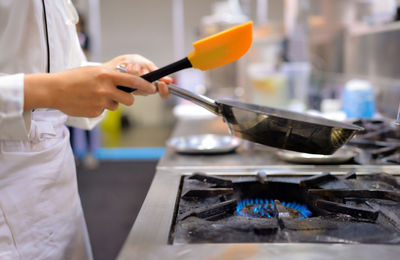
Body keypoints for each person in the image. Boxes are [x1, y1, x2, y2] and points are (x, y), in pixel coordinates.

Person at [0, 1, 171, 259]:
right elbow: (52, 84)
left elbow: (61, 67)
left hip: (59, 186)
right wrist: (51, 91)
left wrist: (109, 73)